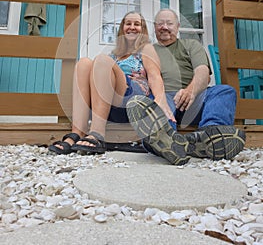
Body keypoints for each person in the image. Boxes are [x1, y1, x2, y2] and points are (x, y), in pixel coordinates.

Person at [48, 11, 181, 158]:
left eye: (137, 24)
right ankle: (77, 132)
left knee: (102, 61)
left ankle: (97, 133)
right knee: (83, 64)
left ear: (142, 30)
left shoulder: (146, 48)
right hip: (109, 106)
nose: (132, 27)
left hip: (132, 102)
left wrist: (160, 99)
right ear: (122, 28)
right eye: (128, 23)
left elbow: (155, 76)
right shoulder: (114, 54)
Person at [126, 8, 246, 165]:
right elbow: (133, 71)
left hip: (194, 99)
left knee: (225, 91)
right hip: (164, 97)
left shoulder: (191, 45)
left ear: (177, 26)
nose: (165, 27)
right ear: (155, 27)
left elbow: (203, 72)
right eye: (160, 23)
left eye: (169, 23)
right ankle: (167, 141)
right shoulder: (148, 50)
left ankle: (210, 135)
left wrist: (191, 91)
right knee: (149, 103)